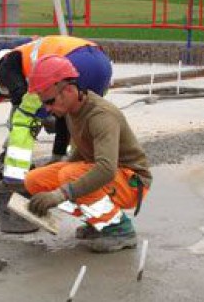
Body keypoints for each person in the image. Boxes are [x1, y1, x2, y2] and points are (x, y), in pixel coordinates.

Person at [0, 35, 113, 186]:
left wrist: (39, 117)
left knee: (25, 119)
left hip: (71, 62)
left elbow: (25, 103)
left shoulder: (6, 61)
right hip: (98, 59)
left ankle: (15, 182)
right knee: (76, 113)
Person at [24, 55, 151, 253]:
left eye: (49, 101)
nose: (47, 108)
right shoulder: (71, 111)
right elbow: (80, 155)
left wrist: (61, 193)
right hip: (111, 177)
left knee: (69, 176)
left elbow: (106, 169)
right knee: (34, 180)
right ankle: (98, 221)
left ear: (68, 89)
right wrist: (50, 187)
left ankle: (119, 229)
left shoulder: (101, 115)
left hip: (132, 181)